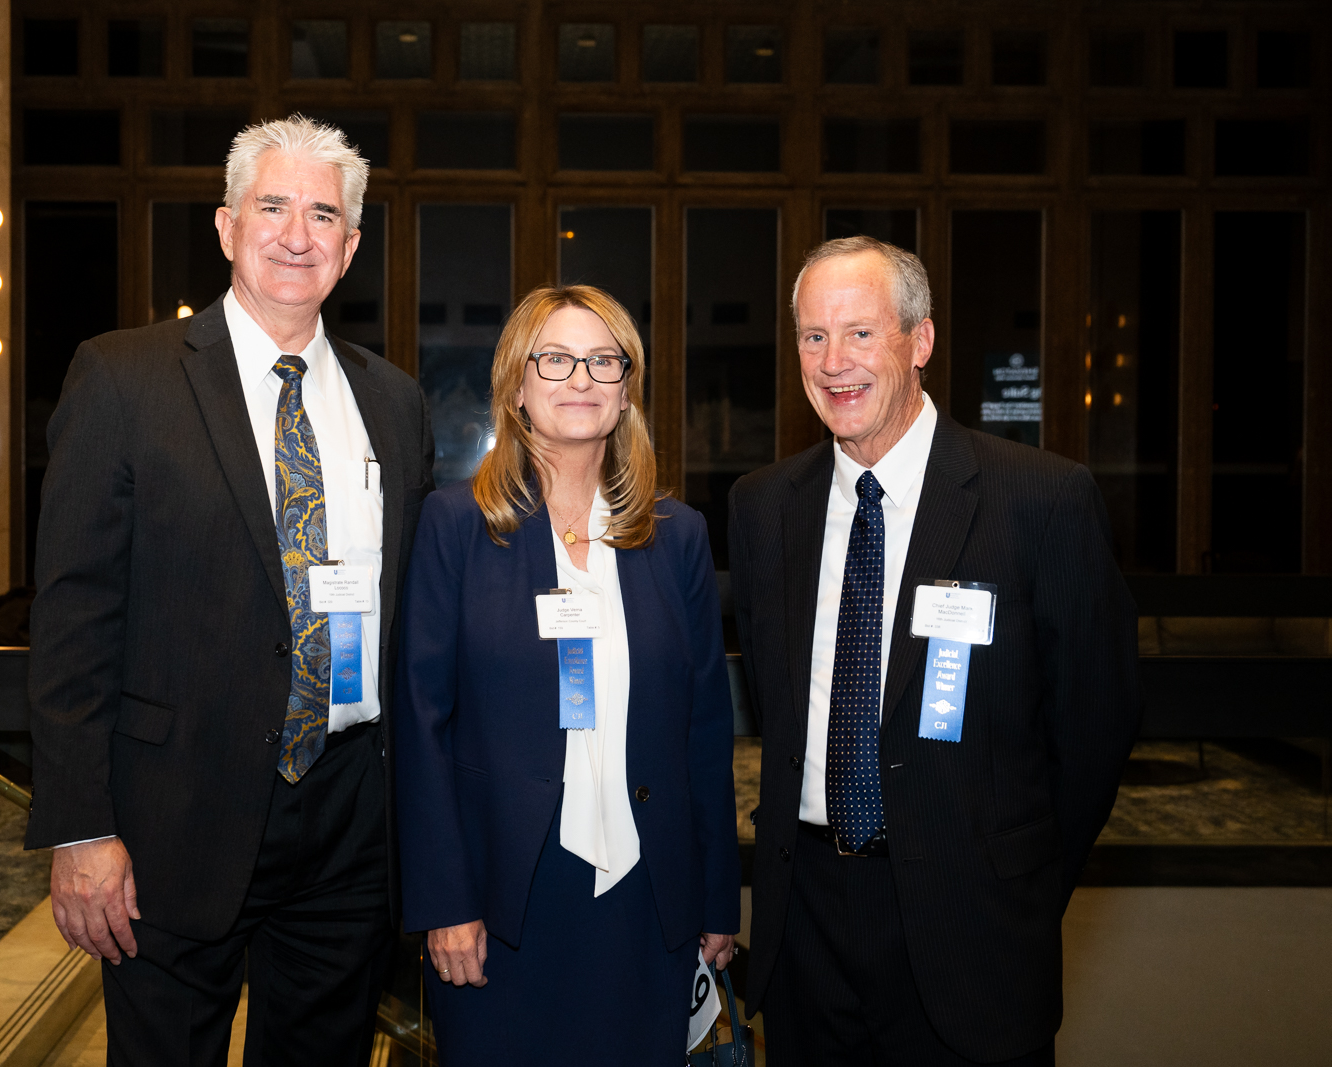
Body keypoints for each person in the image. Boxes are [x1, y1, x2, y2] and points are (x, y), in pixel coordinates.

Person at [23, 115, 434, 1066]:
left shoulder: (394, 403)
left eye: (323, 214)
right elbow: (74, 616)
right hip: (171, 819)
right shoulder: (124, 378)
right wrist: (81, 827)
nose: (298, 233)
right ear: (224, 225)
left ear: (352, 245)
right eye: (274, 205)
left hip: (347, 824)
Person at [729, 236, 1140, 1065]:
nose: (834, 360)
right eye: (813, 336)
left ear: (919, 342)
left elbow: (1093, 733)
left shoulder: (1039, 500)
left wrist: (1010, 890)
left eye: (860, 333)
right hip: (804, 926)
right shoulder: (763, 507)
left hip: (972, 935)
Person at [394, 285, 742, 1064]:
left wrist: (716, 898)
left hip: (646, 902)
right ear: (517, 388)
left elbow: (703, 734)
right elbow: (422, 727)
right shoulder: (456, 526)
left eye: (602, 360)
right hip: (500, 901)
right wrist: (445, 902)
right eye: (554, 359)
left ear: (626, 392)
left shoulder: (677, 536)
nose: (579, 377)